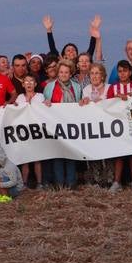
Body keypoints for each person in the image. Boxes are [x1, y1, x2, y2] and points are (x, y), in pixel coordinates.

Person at [41, 59, 81, 189]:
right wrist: (45, 103)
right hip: (55, 126)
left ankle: (70, 184)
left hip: (71, 126)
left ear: (70, 74)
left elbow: (79, 103)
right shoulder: (49, 87)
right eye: (61, 72)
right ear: (58, 73)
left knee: (71, 154)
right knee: (58, 155)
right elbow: (44, 104)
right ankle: (59, 184)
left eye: (66, 72)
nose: (63, 74)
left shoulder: (76, 87)